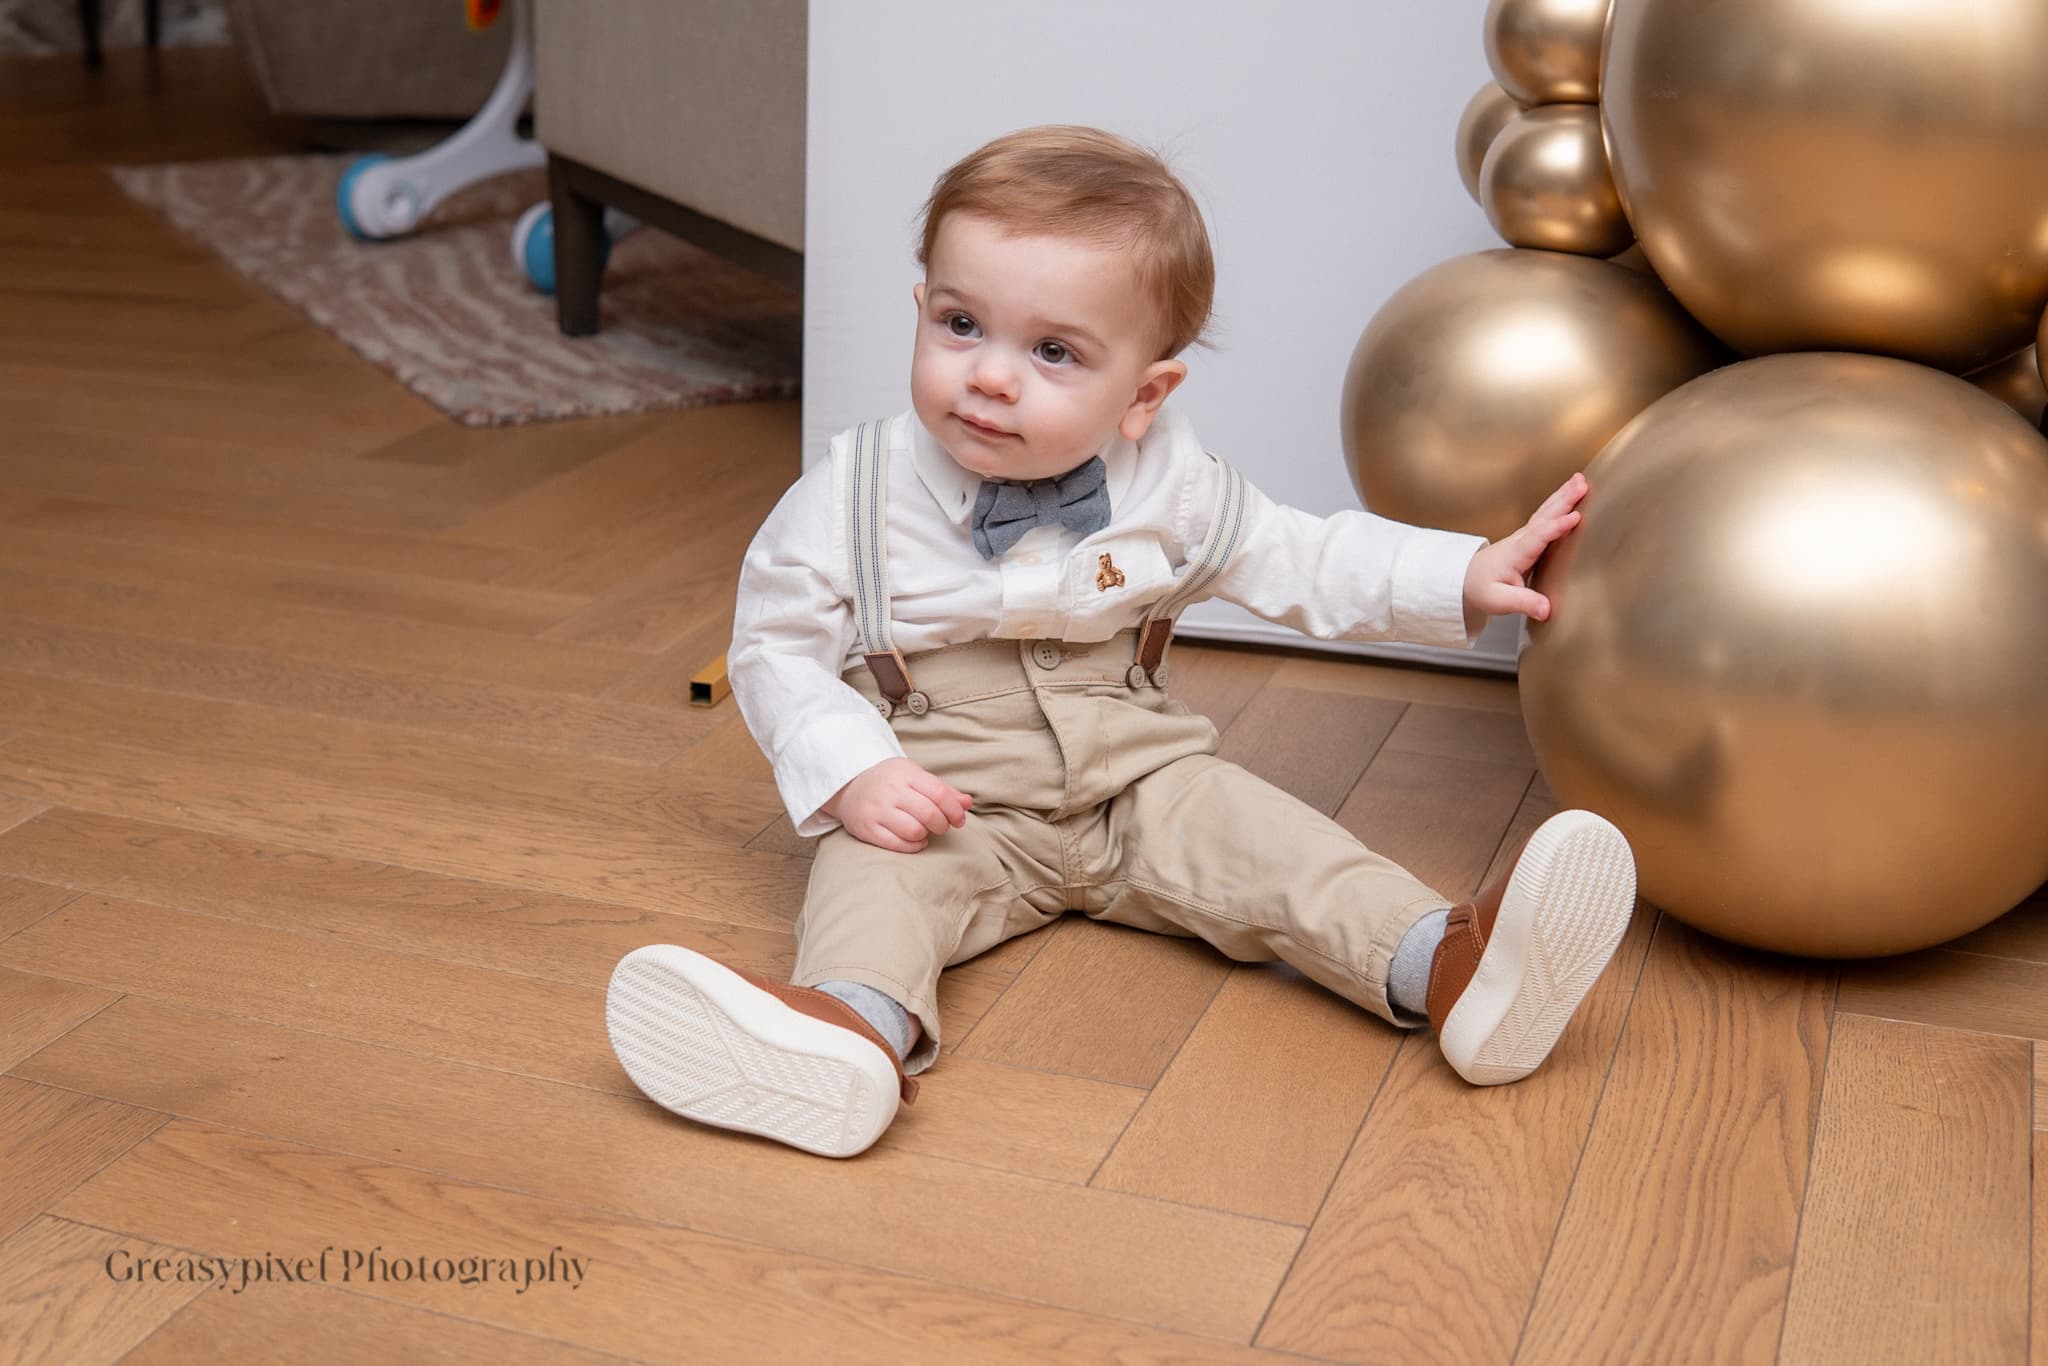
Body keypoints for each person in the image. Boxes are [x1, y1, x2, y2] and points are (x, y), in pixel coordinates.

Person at [604, 125, 1638, 1158]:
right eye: (961, 324)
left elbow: (1301, 557)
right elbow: (773, 649)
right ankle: (846, 1037)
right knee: (872, 889)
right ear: (919, 311)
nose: (992, 377)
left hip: (1137, 774)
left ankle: (1444, 966)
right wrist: (853, 773)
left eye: (1052, 351)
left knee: (1280, 850)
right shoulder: (853, 491)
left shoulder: (1174, 489)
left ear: (1144, 395)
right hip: (941, 788)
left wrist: (1457, 573)